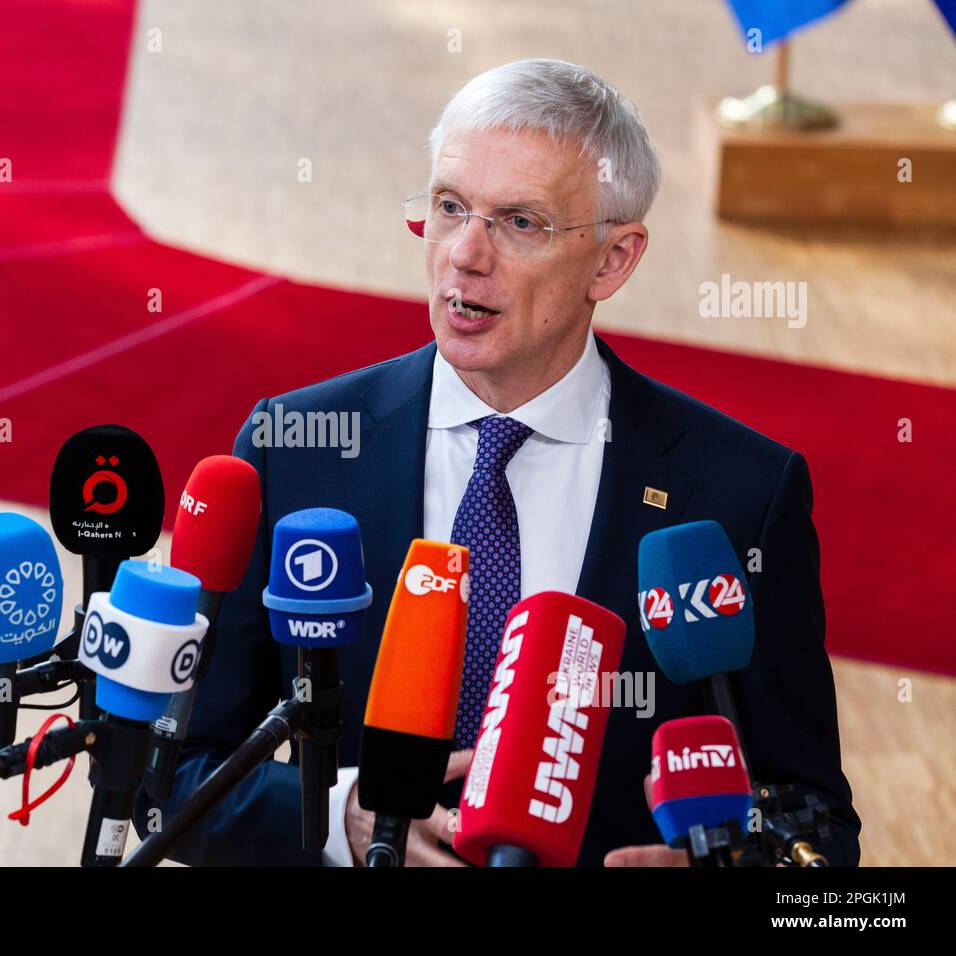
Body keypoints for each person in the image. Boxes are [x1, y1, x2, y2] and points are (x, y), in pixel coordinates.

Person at [132, 58, 860, 866]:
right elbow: (170, 780)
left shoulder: (738, 495)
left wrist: (716, 862)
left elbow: (815, 825)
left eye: (520, 223)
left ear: (613, 260)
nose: (464, 256)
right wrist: (344, 818)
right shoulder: (294, 449)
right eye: (449, 207)